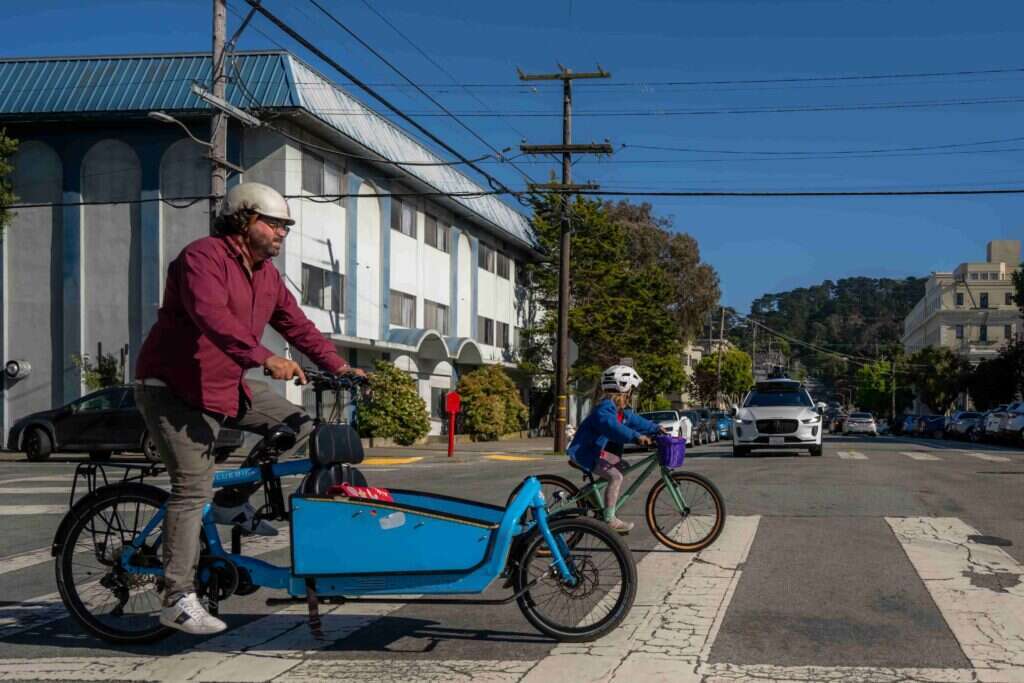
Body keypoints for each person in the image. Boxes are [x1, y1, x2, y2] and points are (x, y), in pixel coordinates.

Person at [135, 182, 364, 635]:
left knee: (303, 427)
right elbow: (211, 317)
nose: (282, 233)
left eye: (286, 227)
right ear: (243, 220)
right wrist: (264, 358)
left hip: (224, 384)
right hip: (174, 389)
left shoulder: (267, 276)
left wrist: (341, 367)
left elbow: (297, 325)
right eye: (274, 224)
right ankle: (177, 598)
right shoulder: (202, 258)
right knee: (190, 488)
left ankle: (231, 501)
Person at [566, 365, 662, 533]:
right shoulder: (604, 409)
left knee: (623, 466)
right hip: (584, 452)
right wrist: (636, 437)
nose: (631, 394)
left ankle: (590, 492)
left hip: (595, 451)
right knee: (616, 477)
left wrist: (656, 428)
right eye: (630, 390)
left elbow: (636, 421)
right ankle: (609, 519)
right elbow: (612, 427)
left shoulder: (620, 411)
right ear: (622, 389)